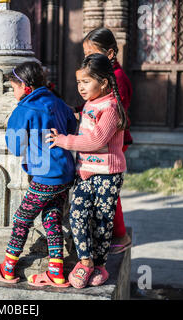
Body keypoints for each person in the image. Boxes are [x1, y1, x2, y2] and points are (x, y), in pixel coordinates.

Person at [0, 62, 77, 287]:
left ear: (25, 87)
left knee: (21, 218)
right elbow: (72, 129)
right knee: (52, 217)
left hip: (45, 176)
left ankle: (8, 267)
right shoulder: (58, 102)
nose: (13, 93)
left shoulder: (24, 109)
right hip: (64, 174)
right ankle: (56, 271)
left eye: (13, 88)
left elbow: (15, 147)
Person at [46, 53, 127, 288]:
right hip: (85, 173)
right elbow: (87, 126)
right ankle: (85, 261)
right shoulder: (91, 104)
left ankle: (100, 265)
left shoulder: (111, 107)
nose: (81, 87)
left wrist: (64, 141)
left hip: (107, 175)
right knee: (77, 214)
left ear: (103, 82)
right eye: (79, 82)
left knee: (102, 221)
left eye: (86, 82)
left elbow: (96, 141)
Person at [81, 27, 133, 254]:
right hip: (102, 137)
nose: (86, 58)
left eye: (91, 53)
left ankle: (120, 235)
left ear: (110, 53)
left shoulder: (117, 78)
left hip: (112, 140)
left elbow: (112, 111)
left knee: (110, 190)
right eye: (85, 53)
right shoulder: (107, 75)